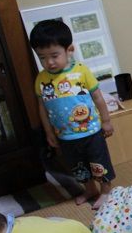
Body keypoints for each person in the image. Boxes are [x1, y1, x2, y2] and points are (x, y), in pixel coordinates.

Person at [29, 20, 116, 209]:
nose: (49, 62)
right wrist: (49, 133)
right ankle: (90, 189)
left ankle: (106, 191)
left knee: (99, 162)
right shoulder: (41, 79)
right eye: (42, 58)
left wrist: (106, 121)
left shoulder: (81, 71)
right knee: (78, 167)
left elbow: (98, 97)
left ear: (69, 50)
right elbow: (42, 108)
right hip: (65, 136)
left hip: (91, 131)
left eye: (54, 55)